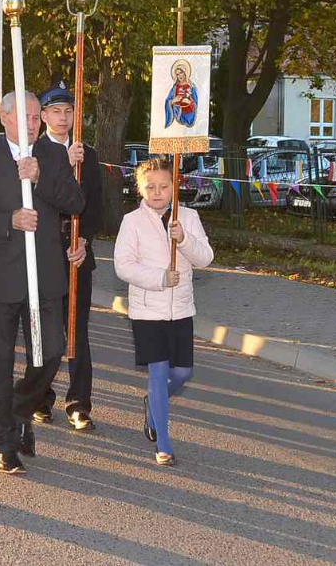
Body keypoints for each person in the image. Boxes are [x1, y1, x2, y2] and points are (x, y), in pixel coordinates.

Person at [0, 91, 84, 475]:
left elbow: (75, 203)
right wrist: (7, 221)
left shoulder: (53, 156)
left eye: (35, 117)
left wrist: (41, 177)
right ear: (4, 117)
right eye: (24, 117)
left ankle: (18, 409)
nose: (32, 124)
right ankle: (3, 442)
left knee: (50, 354)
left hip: (43, 277)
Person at [114, 158, 213, 467]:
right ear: (139, 188)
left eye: (164, 186)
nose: (157, 192)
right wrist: (158, 279)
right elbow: (123, 265)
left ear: (174, 186)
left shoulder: (189, 217)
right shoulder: (132, 221)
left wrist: (183, 239)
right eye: (150, 187)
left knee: (183, 372)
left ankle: (155, 404)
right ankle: (164, 444)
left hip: (181, 308)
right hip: (147, 311)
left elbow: (206, 258)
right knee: (158, 371)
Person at [31, 81, 104, 431]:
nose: (63, 118)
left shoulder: (86, 154)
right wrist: (63, 162)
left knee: (77, 328)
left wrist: (85, 240)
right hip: (45, 249)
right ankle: (40, 397)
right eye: (56, 111)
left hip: (77, 251)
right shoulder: (35, 152)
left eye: (69, 111)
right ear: (43, 115)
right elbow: (39, 199)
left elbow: (95, 205)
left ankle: (78, 402)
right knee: (44, 328)